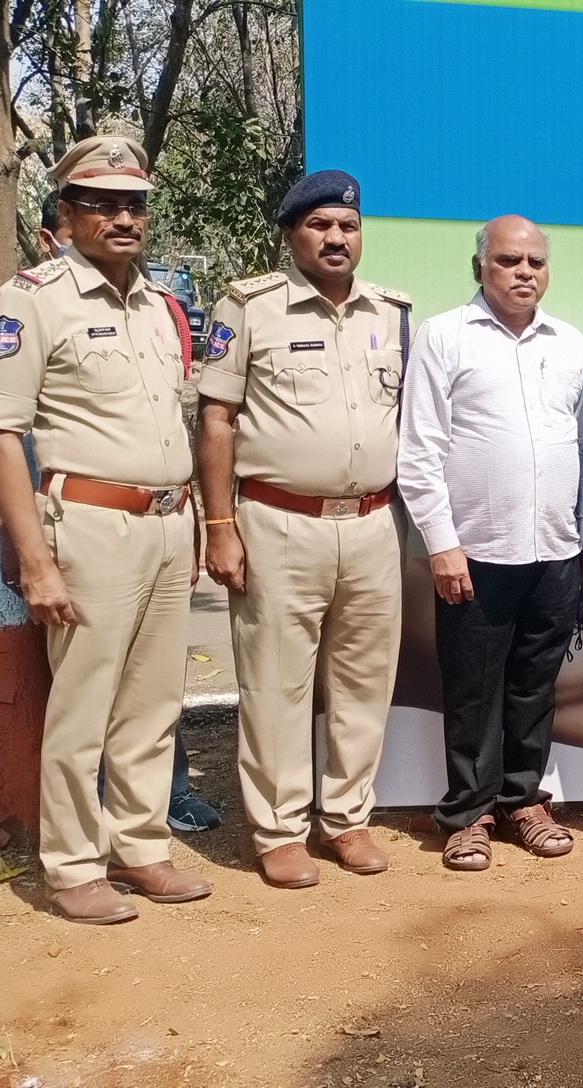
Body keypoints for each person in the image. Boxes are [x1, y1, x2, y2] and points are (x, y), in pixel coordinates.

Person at [0, 135, 210, 923]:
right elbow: (4, 433)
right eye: (103, 204)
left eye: (135, 205)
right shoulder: (33, 298)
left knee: (154, 703)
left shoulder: (160, 306)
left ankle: (141, 846)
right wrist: (34, 562)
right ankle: (72, 863)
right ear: (66, 213)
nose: (123, 219)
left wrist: (188, 524)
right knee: (84, 704)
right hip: (85, 523)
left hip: (164, 521)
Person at [196, 170, 411, 889]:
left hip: (374, 525)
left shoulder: (393, 313)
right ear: (292, 234)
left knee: (363, 683)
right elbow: (216, 418)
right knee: (276, 686)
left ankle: (347, 818)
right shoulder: (250, 307)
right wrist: (219, 524)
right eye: (320, 226)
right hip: (278, 522)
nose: (336, 238)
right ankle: (280, 828)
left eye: (347, 226)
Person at [399, 215, 583, 871]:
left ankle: (523, 802)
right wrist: (441, 542)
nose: (524, 272)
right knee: (471, 688)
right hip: (474, 551)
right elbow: (420, 452)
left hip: (556, 551)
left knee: (535, 685)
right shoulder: (445, 337)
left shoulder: (570, 345)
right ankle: (466, 814)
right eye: (510, 260)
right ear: (480, 266)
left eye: (536, 262)